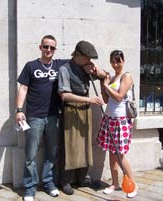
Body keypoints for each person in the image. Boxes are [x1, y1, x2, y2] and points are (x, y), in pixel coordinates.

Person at [15, 35, 67, 201]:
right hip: (34, 117)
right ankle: (30, 188)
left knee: (51, 152)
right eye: (46, 46)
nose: (49, 50)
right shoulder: (31, 66)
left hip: (53, 116)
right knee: (30, 154)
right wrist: (18, 110)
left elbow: (80, 60)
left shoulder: (59, 65)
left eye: (52, 47)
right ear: (40, 47)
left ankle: (48, 183)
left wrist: (96, 69)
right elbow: (23, 88)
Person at [57, 40, 107, 195]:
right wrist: (89, 100)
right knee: (70, 145)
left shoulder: (87, 67)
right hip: (71, 110)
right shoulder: (64, 69)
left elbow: (106, 76)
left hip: (85, 110)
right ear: (78, 55)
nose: (89, 61)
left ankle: (81, 177)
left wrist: (95, 71)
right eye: (87, 58)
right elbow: (64, 95)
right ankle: (65, 180)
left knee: (85, 145)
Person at [97, 50, 138, 198]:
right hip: (109, 119)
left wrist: (107, 85)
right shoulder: (113, 77)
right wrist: (103, 83)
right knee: (111, 154)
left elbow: (120, 97)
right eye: (113, 61)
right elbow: (107, 100)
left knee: (120, 156)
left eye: (118, 61)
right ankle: (115, 183)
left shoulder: (126, 76)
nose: (115, 64)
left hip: (121, 121)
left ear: (123, 60)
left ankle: (133, 184)